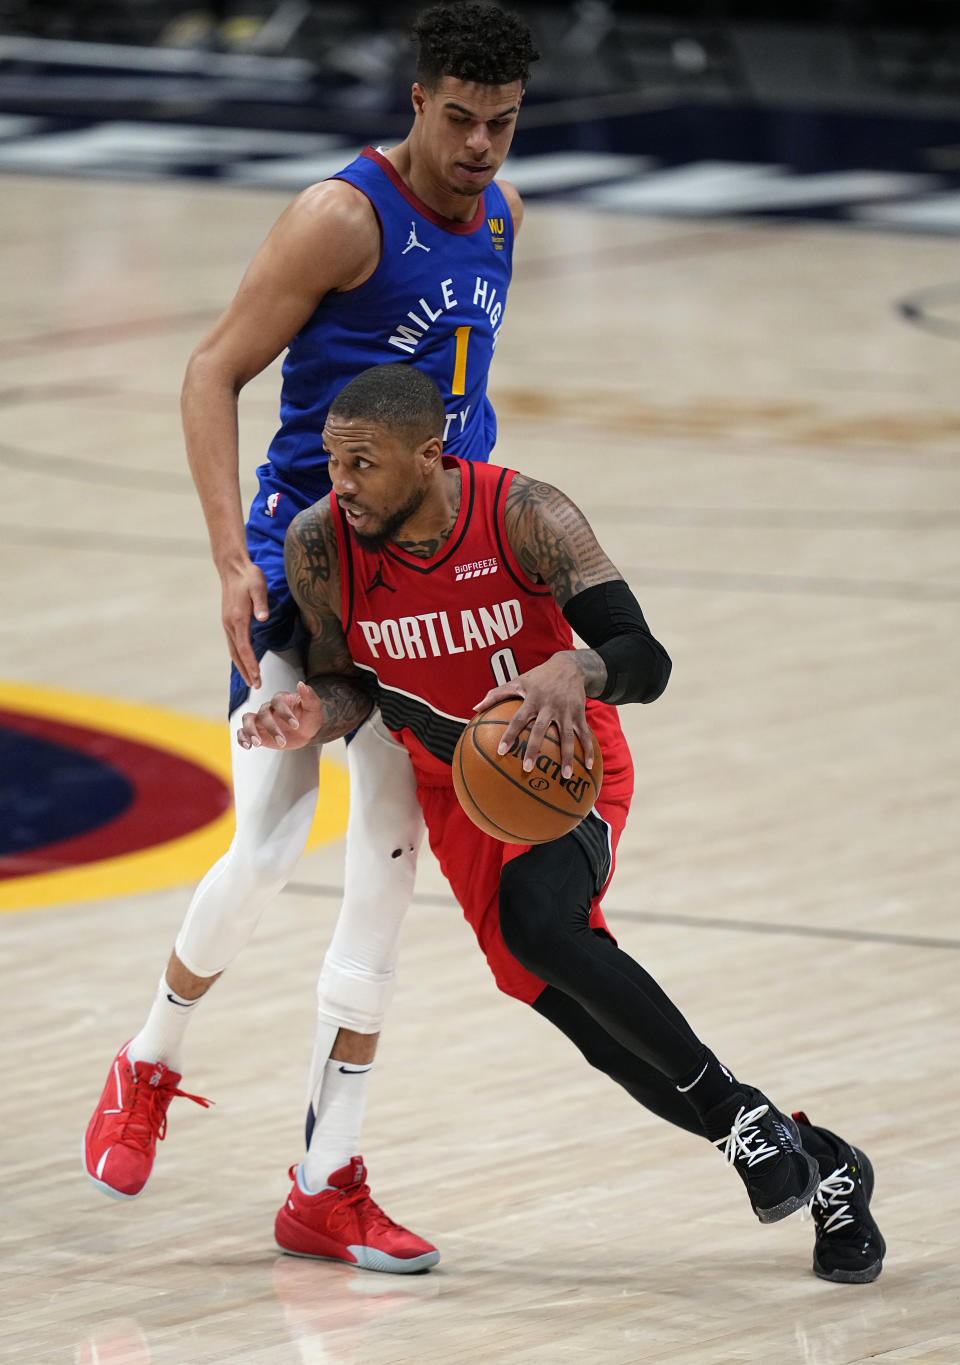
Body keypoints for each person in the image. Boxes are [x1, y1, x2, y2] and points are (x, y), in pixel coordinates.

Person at [239, 362, 886, 1285]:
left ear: (430, 455)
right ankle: (820, 1158)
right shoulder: (320, 544)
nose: (339, 483)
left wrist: (577, 672)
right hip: (457, 792)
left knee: (545, 923)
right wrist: (315, 711)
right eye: (333, 463)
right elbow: (349, 680)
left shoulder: (526, 515)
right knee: (598, 1031)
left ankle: (740, 1120)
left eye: (361, 463)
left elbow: (644, 656)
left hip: (562, 769)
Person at [83, 3, 539, 1271]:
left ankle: (324, 1178)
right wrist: (230, 557)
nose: (481, 148)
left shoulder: (503, 217)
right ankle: (149, 1058)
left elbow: (463, 407)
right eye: (460, 118)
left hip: (427, 591)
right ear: (416, 100)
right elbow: (209, 369)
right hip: (308, 571)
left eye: (502, 124)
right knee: (274, 847)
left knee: (388, 876)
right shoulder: (342, 216)